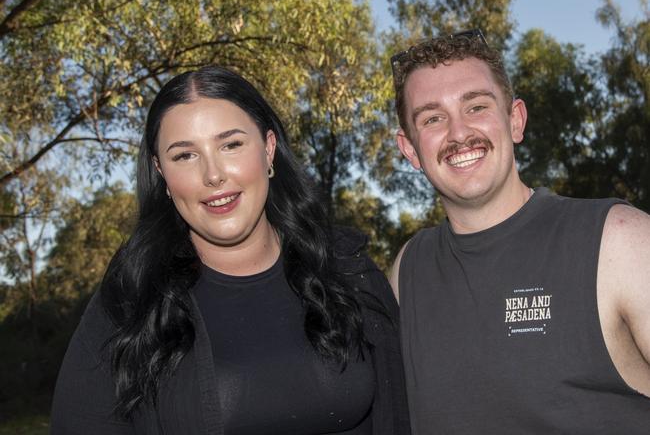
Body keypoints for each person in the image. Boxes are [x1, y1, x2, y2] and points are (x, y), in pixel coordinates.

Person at [51, 66, 410, 434]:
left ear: (268, 149)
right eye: (185, 156)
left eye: (231, 145)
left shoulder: (346, 268)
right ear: (161, 174)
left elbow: (403, 408)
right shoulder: (133, 294)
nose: (213, 175)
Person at [389, 30, 650, 434]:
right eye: (433, 118)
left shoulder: (620, 239)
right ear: (410, 150)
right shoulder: (408, 270)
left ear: (515, 120)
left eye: (476, 106)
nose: (458, 134)